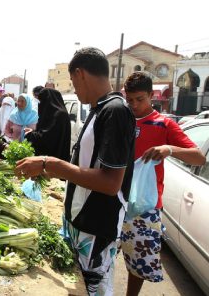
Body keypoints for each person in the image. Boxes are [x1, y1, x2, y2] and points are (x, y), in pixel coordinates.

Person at [16, 47, 136, 296]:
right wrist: (49, 170)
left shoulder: (115, 111)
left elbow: (111, 182)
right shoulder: (98, 109)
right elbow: (86, 167)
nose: (74, 88)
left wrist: (52, 164)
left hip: (96, 226)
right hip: (80, 221)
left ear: (80, 74)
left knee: (93, 290)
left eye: (72, 81)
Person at [120, 72, 205, 296]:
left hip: (144, 206)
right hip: (115, 197)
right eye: (130, 100)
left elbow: (198, 157)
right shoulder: (121, 119)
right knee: (105, 253)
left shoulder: (164, 124)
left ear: (151, 95)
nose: (135, 105)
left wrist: (169, 149)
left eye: (140, 99)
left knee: (138, 262)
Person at [25, 88, 71, 161]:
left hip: (53, 162)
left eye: (42, 101)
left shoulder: (58, 115)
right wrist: (33, 132)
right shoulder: (58, 114)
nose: (40, 104)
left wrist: (30, 134)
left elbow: (47, 140)